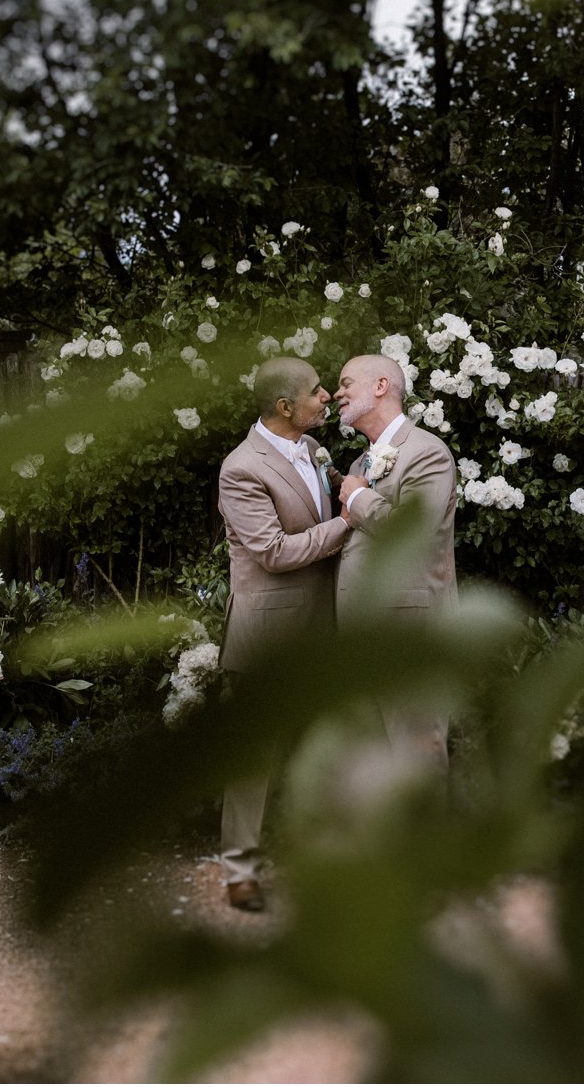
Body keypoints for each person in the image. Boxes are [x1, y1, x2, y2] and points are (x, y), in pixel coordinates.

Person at [214, 356, 348, 912]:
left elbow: (339, 489)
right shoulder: (241, 469)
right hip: (269, 632)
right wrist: (351, 522)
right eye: (317, 391)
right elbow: (271, 551)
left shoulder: (316, 451)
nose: (327, 397)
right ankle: (239, 870)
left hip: (327, 625)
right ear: (285, 406)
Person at [333, 353, 459, 774]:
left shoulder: (427, 453)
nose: (338, 393)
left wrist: (356, 497)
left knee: (415, 748)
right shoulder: (359, 463)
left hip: (409, 630)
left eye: (347, 383)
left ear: (381, 386)